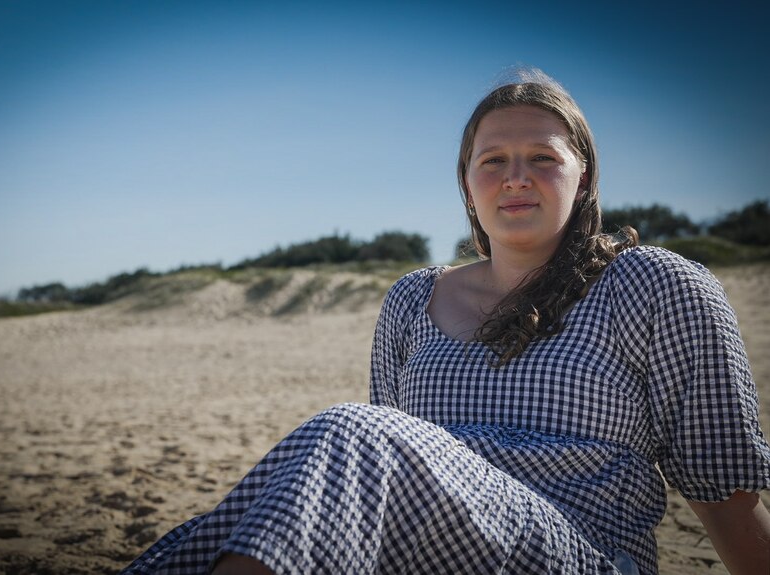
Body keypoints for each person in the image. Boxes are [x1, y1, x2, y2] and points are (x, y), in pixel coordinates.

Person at [120, 69, 770, 575]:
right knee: (229, 520)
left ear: (585, 176)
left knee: (350, 432)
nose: (516, 177)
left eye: (542, 157)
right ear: (466, 185)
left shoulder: (654, 285)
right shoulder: (411, 300)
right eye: (493, 161)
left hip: (580, 553)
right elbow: (371, 492)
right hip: (419, 555)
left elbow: (726, 493)